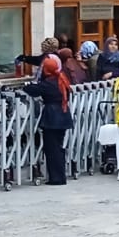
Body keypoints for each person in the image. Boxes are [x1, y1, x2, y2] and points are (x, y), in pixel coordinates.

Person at [25, 53, 72, 185]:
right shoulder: (61, 78)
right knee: (59, 146)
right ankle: (60, 175)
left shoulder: (48, 83)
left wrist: (27, 84)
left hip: (52, 116)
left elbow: (32, 90)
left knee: (52, 148)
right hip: (63, 115)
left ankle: (56, 178)